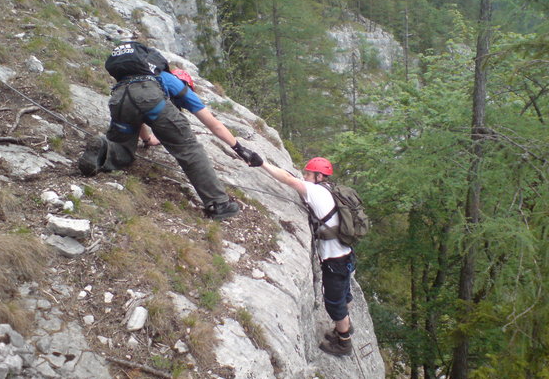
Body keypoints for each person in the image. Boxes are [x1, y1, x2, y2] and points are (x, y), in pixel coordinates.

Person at [78, 42, 260, 221]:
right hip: (151, 101)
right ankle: (219, 204)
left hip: (120, 99)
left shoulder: (133, 76)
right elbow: (213, 124)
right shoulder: (171, 81)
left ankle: (104, 149)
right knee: (188, 148)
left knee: (122, 149)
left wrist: (148, 139)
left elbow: (138, 117)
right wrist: (238, 147)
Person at [255, 156, 356, 356]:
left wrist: (262, 163)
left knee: (334, 303)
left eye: (308, 173)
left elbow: (288, 180)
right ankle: (346, 326)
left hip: (334, 260)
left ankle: (344, 342)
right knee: (344, 293)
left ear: (318, 176)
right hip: (346, 254)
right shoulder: (330, 189)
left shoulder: (316, 192)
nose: (304, 176)